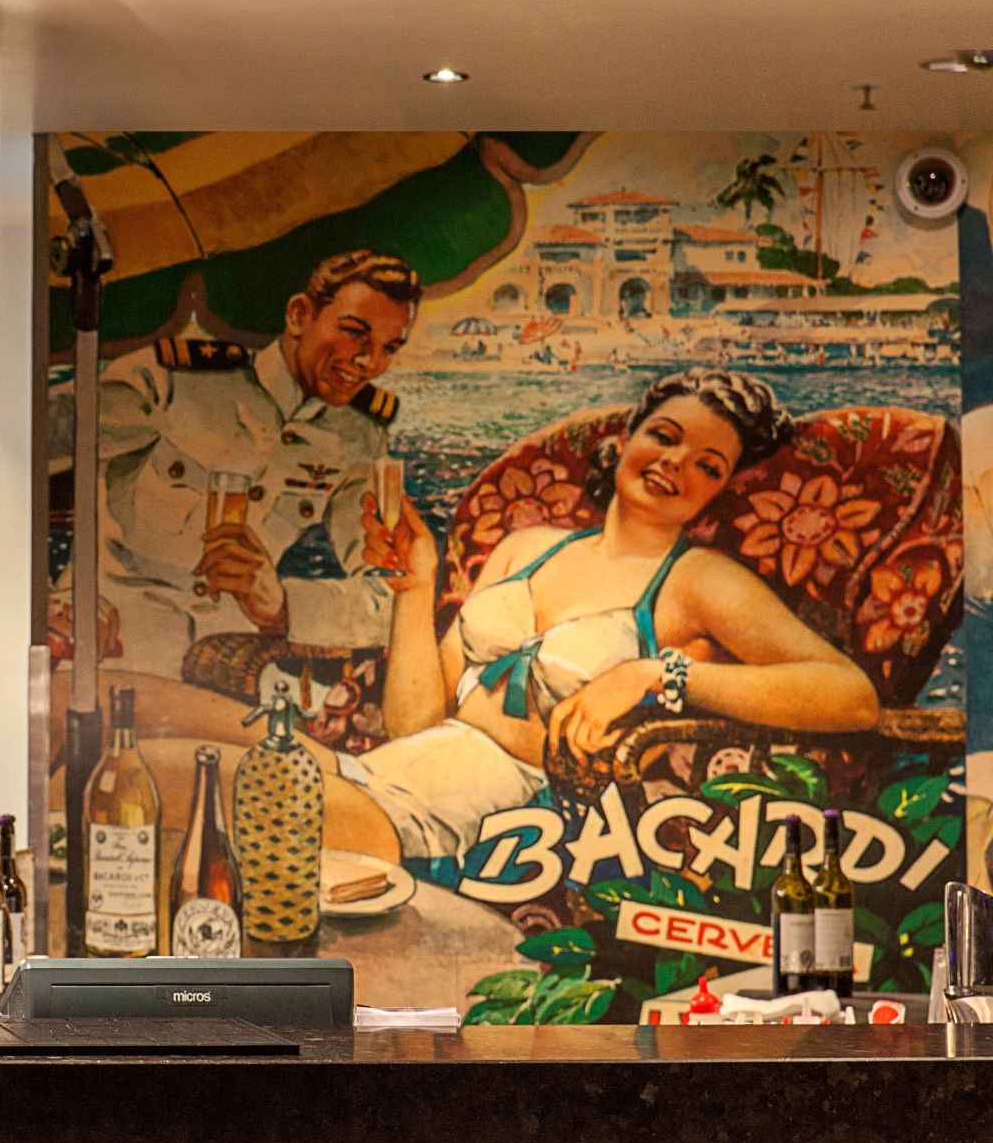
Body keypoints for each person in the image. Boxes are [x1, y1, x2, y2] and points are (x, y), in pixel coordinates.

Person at [348, 367, 879, 876]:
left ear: (722, 490)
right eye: (664, 436)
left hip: (518, 814)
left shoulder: (699, 581)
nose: (675, 462)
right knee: (281, 777)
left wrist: (653, 675)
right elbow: (414, 723)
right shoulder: (524, 549)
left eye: (708, 466)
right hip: (416, 769)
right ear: (625, 440)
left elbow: (851, 696)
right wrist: (417, 587)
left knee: (300, 813)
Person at [51, 249, 422, 678]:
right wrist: (47, 600)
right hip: (106, 654)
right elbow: (15, 454)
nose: (369, 363)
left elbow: (389, 597)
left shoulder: (358, 435)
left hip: (231, 669)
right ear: (300, 315)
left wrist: (283, 606)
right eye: (355, 333)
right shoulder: (169, 380)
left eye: (388, 348)